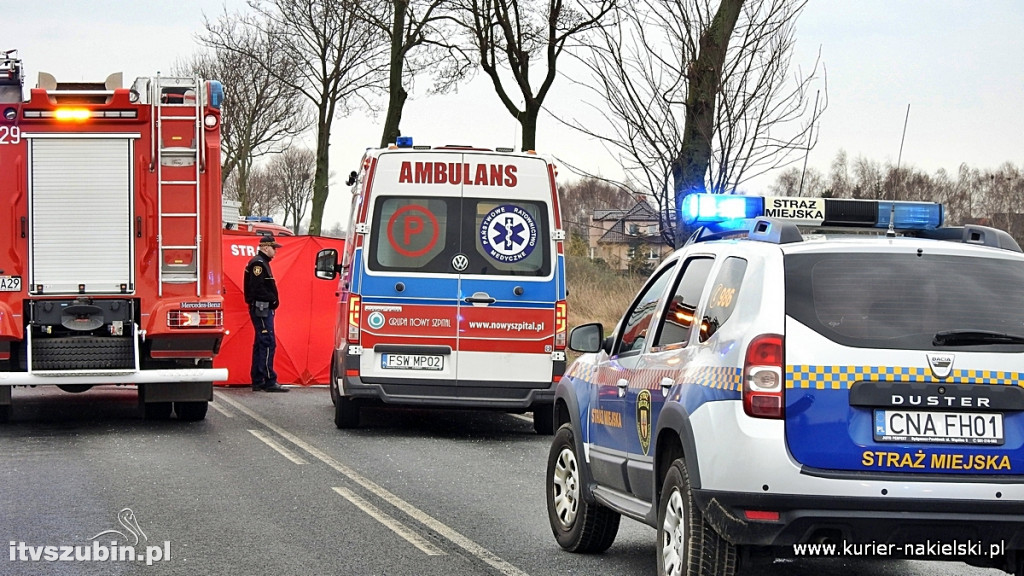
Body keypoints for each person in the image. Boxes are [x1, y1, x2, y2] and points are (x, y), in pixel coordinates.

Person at [244, 233, 289, 393]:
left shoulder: (261, 262)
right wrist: (272, 299)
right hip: (262, 308)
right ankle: (269, 379)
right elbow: (257, 288)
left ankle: (258, 379)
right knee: (268, 342)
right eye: (273, 248)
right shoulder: (259, 264)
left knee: (260, 343)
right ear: (265, 247)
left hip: (262, 307)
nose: (275, 251)